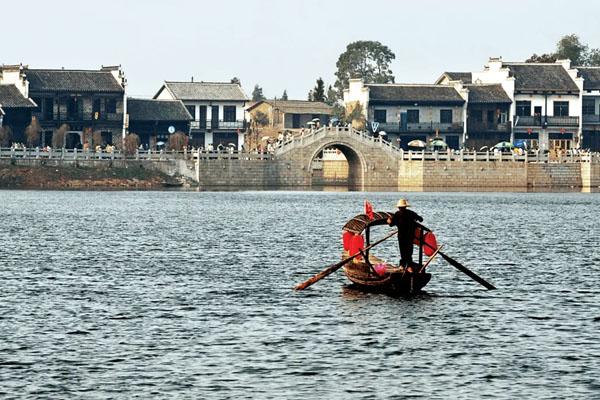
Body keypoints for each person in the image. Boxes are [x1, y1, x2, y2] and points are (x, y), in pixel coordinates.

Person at [387, 199, 423, 273]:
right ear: (405, 207)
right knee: (409, 252)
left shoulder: (397, 214)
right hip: (410, 236)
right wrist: (415, 219)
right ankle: (408, 266)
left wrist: (389, 221)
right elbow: (421, 219)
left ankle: (405, 265)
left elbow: (391, 224)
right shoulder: (411, 213)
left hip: (402, 237)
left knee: (403, 252)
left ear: (399, 207)